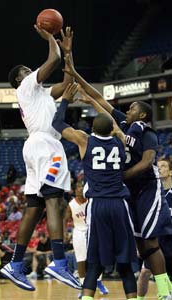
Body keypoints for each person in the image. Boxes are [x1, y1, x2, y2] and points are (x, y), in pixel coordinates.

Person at [64, 53, 172, 300]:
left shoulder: (148, 134)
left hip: (147, 188)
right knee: (141, 247)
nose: (128, 109)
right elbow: (99, 98)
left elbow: (146, 163)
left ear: (142, 115)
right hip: (127, 193)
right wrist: (75, 74)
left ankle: (165, 292)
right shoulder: (122, 124)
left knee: (151, 243)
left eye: (132, 108)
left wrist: (119, 177)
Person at [0, 25, 81, 291]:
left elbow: (69, 81)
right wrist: (50, 38)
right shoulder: (25, 86)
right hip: (46, 146)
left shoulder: (42, 94)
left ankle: (14, 264)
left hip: (36, 147)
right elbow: (52, 60)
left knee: (34, 207)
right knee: (54, 203)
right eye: (27, 70)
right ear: (21, 79)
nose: (33, 72)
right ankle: (59, 262)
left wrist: (68, 53)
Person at [52, 83, 138, 300]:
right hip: (119, 204)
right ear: (111, 129)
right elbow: (115, 125)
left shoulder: (84, 140)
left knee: (93, 264)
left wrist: (65, 100)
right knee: (125, 263)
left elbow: (57, 123)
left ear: (92, 129)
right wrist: (95, 103)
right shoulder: (120, 139)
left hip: (97, 205)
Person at [64, 180, 109, 299]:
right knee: (81, 261)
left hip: (94, 231)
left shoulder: (92, 200)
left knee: (98, 259)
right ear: (74, 190)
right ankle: (84, 286)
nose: (80, 189)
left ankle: (98, 281)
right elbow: (64, 220)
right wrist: (64, 234)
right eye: (78, 187)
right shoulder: (71, 204)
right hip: (79, 232)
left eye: (82, 187)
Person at [137, 159, 172, 299]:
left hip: (170, 239)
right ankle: (139, 298)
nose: (159, 168)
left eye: (163, 166)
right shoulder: (152, 193)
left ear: (170, 172)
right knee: (145, 272)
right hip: (156, 239)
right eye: (157, 166)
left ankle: (165, 293)